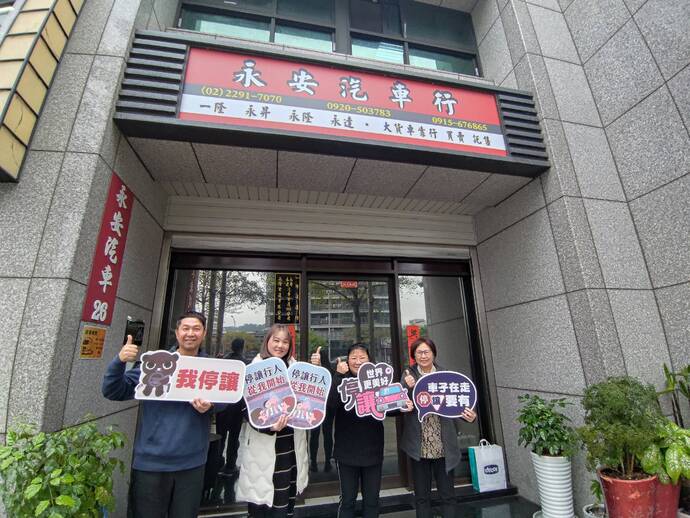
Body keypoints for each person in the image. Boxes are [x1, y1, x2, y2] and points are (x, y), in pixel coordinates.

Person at [102, 310, 220, 518]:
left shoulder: (212, 368)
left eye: (196, 329)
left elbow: (226, 402)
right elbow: (114, 391)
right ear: (177, 332)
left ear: (204, 333)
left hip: (192, 464)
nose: (190, 333)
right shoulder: (155, 363)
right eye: (185, 328)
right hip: (151, 464)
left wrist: (211, 406)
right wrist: (119, 361)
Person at [313, 343, 413, 518]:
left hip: (372, 450)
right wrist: (338, 375)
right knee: (347, 500)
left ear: (369, 360)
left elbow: (389, 408)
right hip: (346, 453)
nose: (358, 361)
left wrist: (403, 405)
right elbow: (330, 405)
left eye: (362, 357)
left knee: (372, 501)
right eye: (353, 357)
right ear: (347, 361)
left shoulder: (377, 382)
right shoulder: (342, 380)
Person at [235, 324, 309, 518]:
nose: (280, 345)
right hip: (263, 445)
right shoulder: (254, 370)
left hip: (290, 446)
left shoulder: (296, 370)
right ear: (267, 341)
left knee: (284, 503)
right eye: (276, 340)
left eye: (285, 342)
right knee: (261, 502)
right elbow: (245, 408)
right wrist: (268, 427)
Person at [400, 337, 477, 518]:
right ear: (414, 356)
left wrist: (470, 417)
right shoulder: (408, 375)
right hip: (419, 445)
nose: (423, 356)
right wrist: (406, 387)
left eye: (426, 352)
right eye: (419, 352)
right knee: (421, 497)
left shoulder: (445, 375)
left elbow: (456, 403)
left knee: (448, 495)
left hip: (443, 445)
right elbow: (399, 404)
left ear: (434, 354)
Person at [308, 345, 334, 473]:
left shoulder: (310, 371)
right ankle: (328, 462)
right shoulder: (330, 371)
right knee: (328, 434)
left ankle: (313, 462)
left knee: (314, 435)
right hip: (328, 408)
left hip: (314, 407)